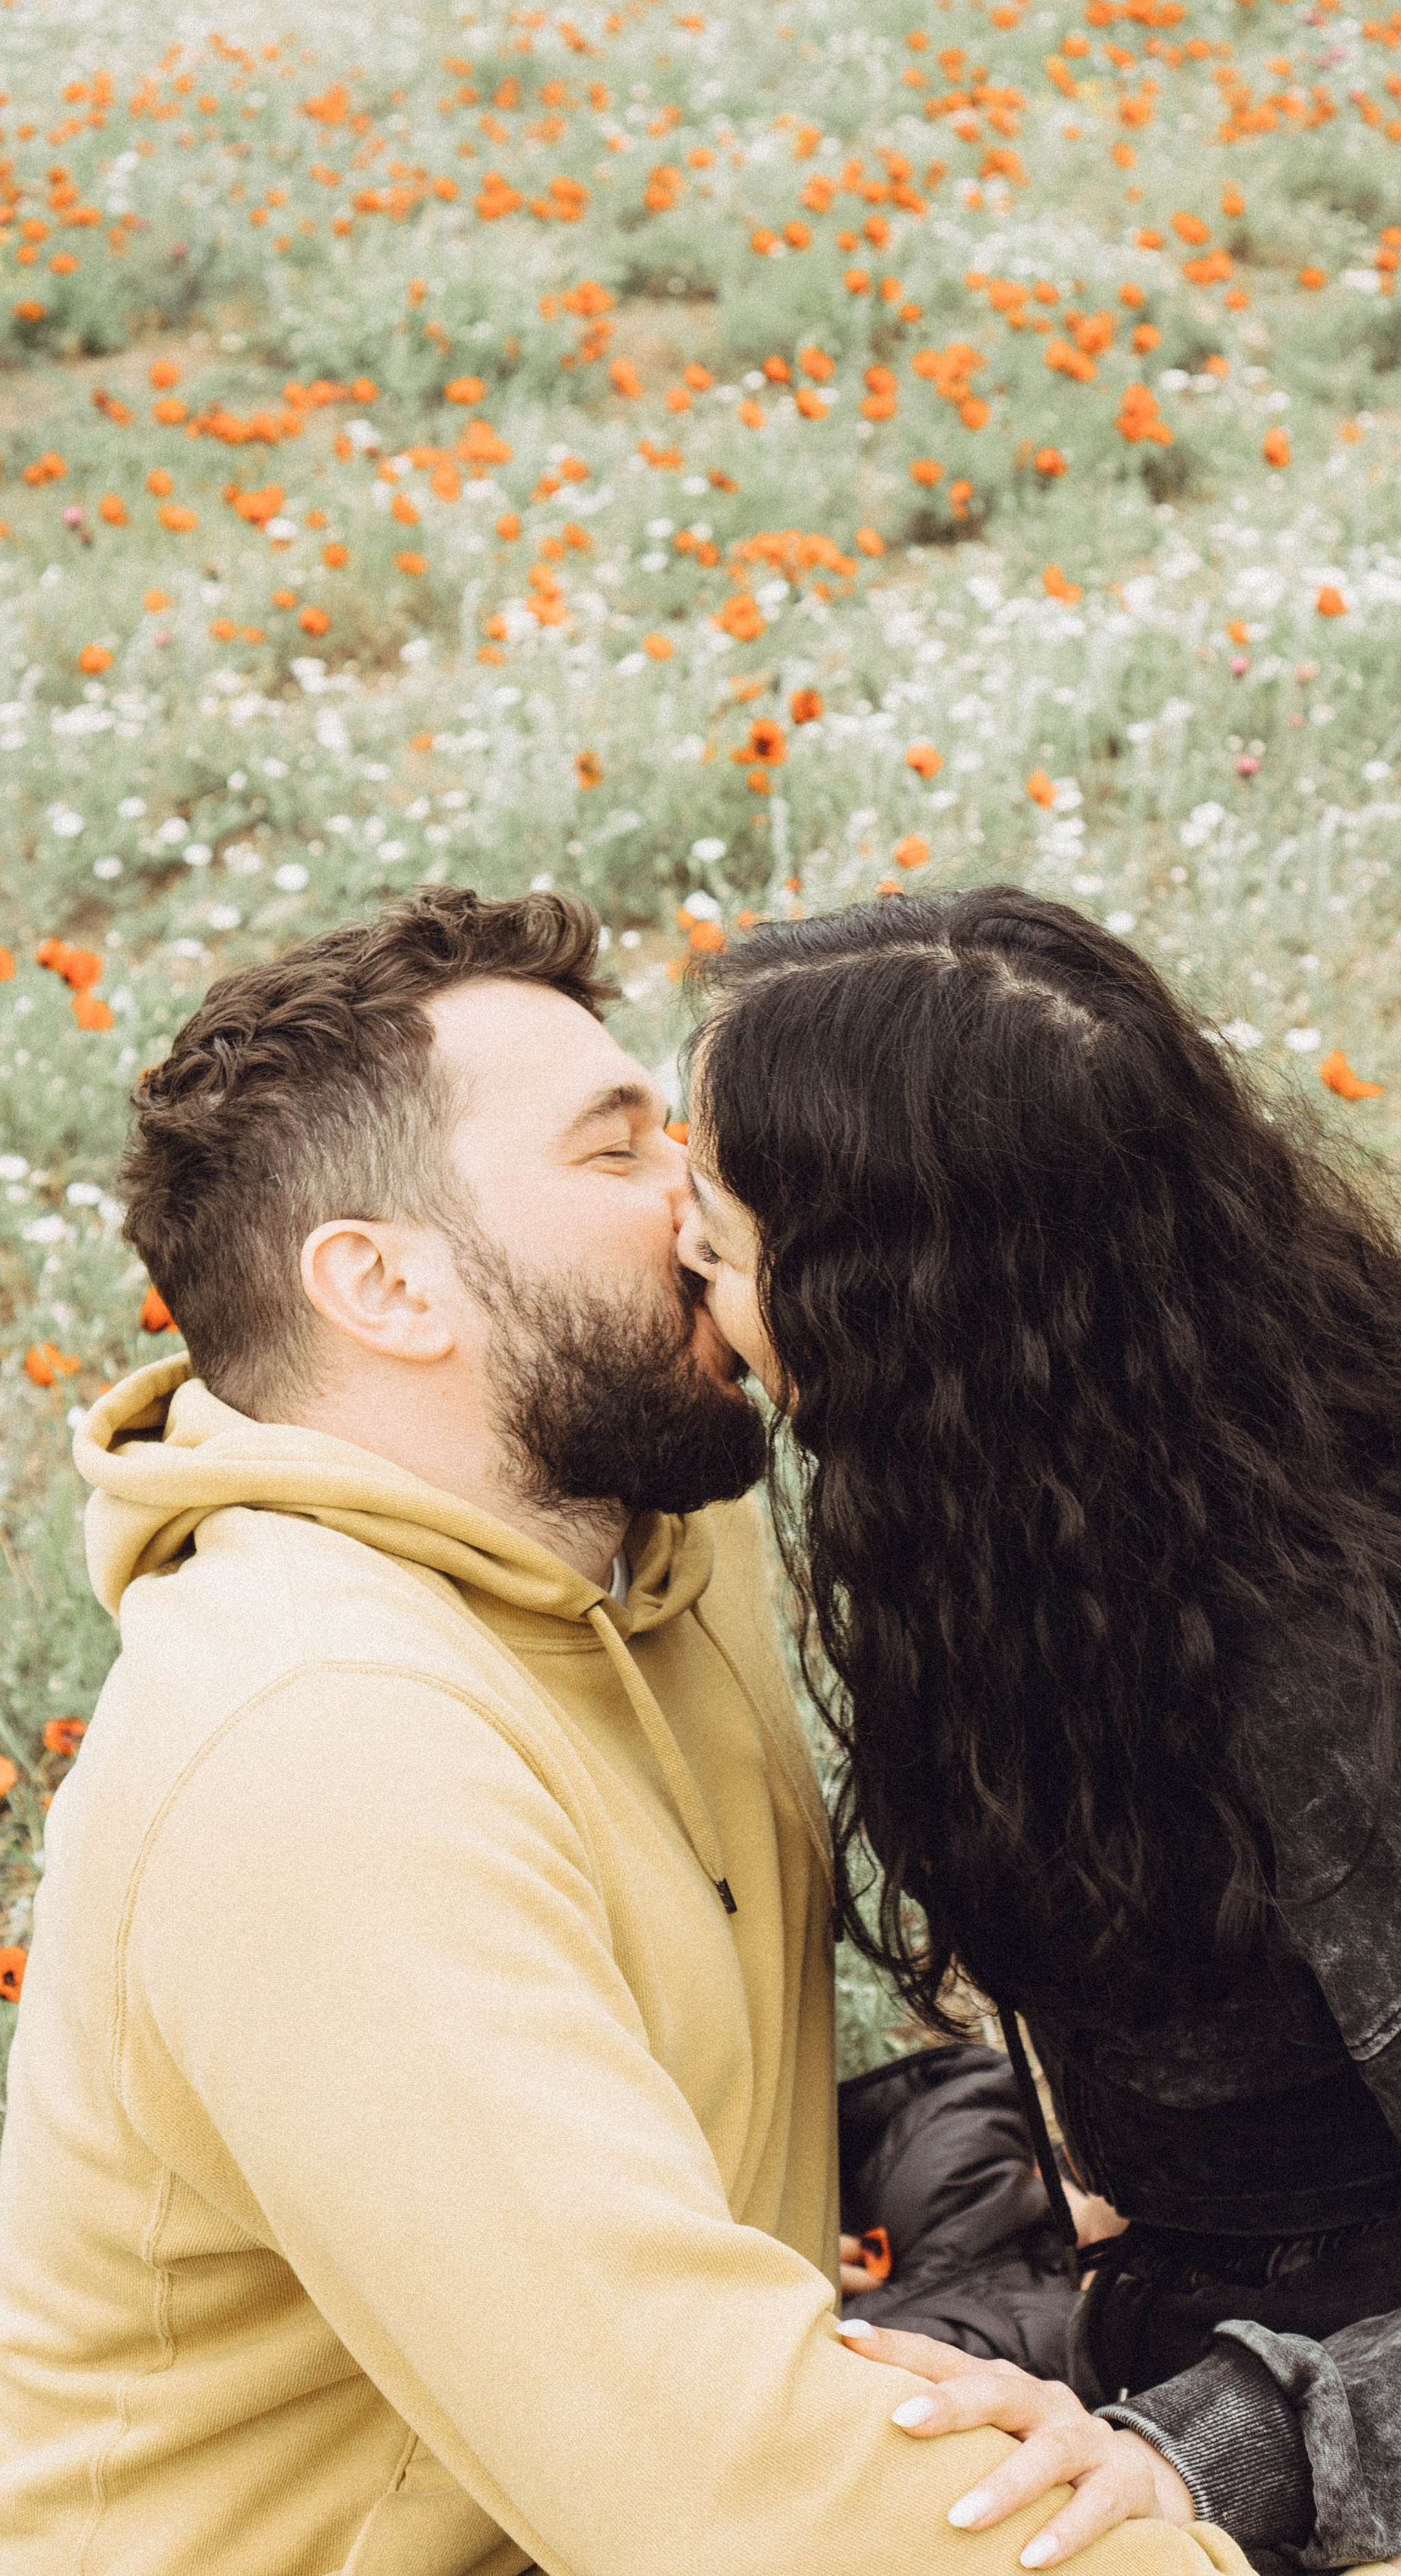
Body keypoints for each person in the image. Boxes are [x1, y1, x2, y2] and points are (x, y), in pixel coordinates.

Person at [0, 888, 1248, 2576]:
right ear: (385, 1284)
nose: (709, 1196)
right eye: (618, 1155)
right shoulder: (314, 1757)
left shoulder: (639, 1516)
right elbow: (709, 2483)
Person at [678, 884, 1401, 2576]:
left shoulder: (1330, 1697)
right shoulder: (1002, 1534)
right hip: (1177, 2301)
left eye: (718, 1242)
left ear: (899, 1319)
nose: (676, 1258)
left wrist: (1240, 2450)